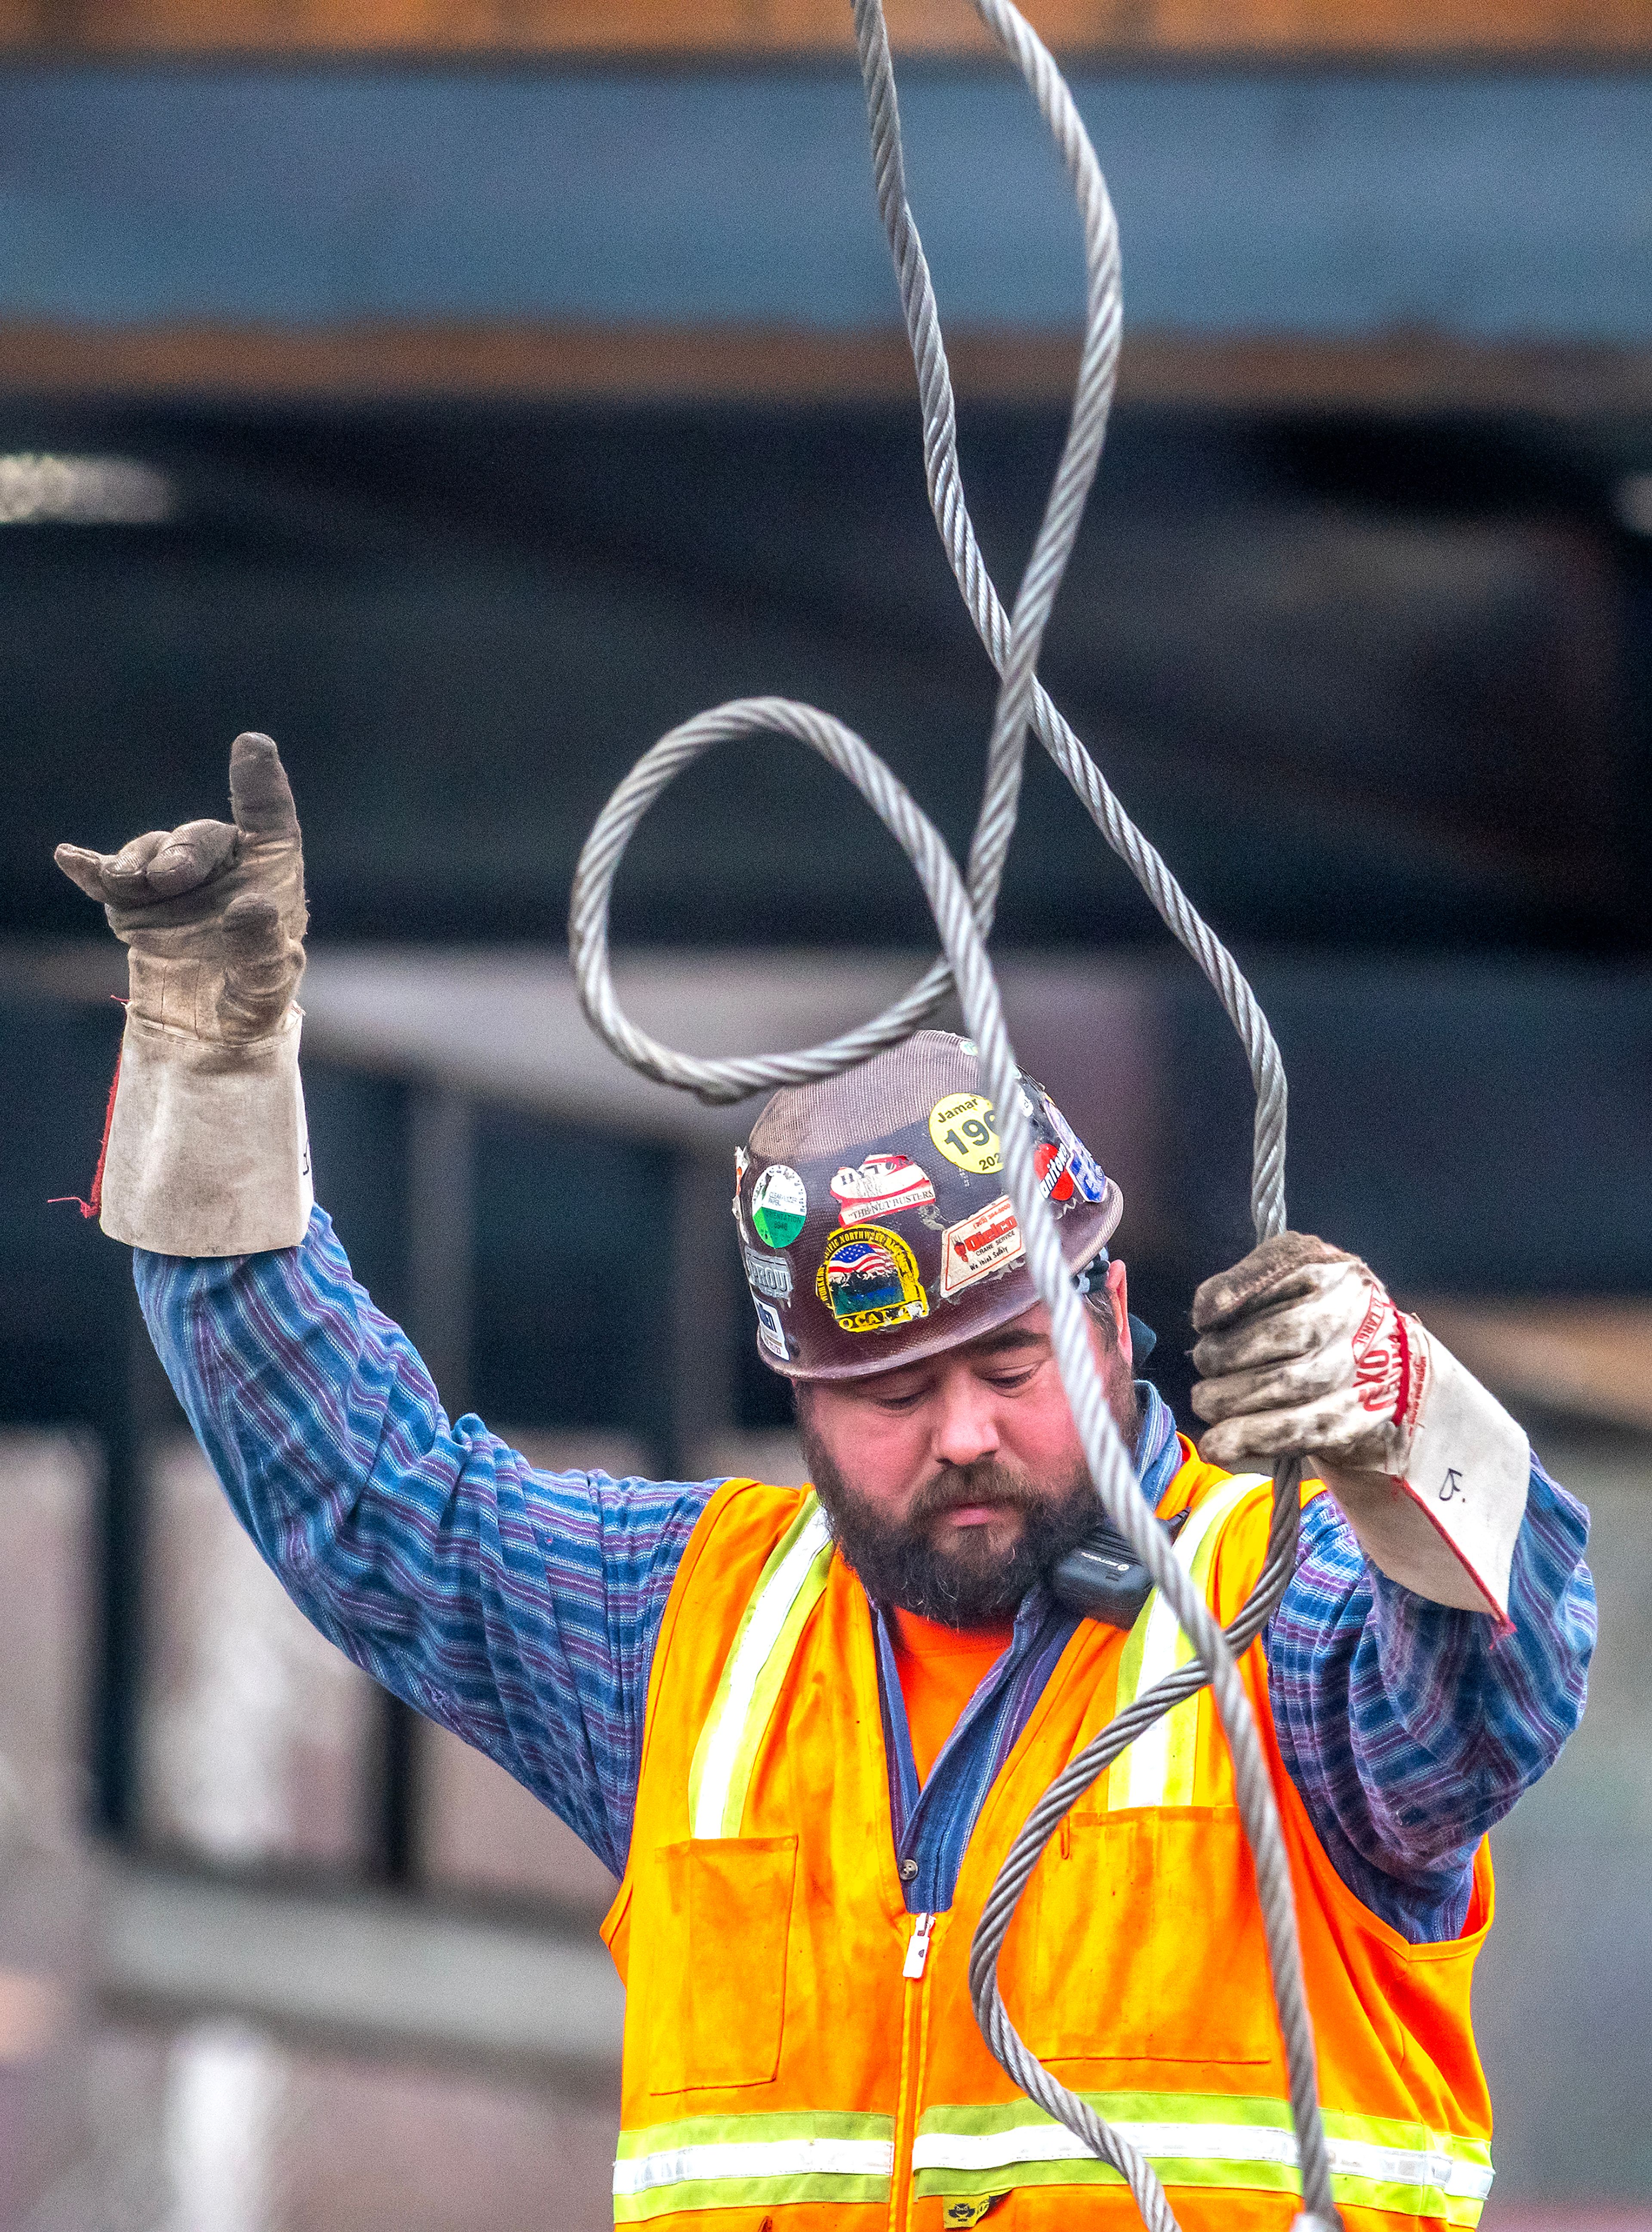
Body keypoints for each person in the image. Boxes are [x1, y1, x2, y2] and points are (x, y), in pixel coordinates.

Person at [57, 735, 1595, 2232]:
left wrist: (1404, 1420)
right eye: (891, 1395)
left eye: (1012, 1368)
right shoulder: (691, 1636)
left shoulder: (1285, 1610)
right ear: (794, 1397)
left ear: (1113, 1322)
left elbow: (1495, 1683)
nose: (964, 1437)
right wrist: (213, 1068)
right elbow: (375, 1504)